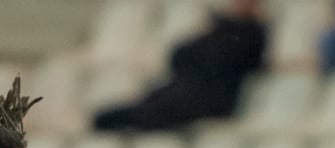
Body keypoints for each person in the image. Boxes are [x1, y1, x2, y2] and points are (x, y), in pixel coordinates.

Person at [95, 0, 268, 132]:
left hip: (207, 98)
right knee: (140, 107)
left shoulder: (249, 34)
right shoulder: (221, 31)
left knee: (152, 111)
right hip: (187, 91)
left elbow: (222, 58)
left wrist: (225, 25)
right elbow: (180, 54)